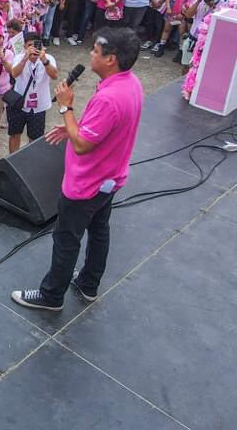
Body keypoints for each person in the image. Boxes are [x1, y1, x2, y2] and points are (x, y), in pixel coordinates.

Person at [12, 28, 143, 311]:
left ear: (111, 59)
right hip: (109, 179)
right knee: (99, 230)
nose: (90, 54)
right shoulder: (131, 84)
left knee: (66, 239)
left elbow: (83, 145)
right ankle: (88, 284)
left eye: (95, 51)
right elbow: (98, 131)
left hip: (87, 183)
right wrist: (74, 128)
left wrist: (66, 110)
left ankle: (51, 296)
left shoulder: (110, 98)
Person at [6, 33, 59, 154]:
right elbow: (14, 74)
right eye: (30, 45)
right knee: (14, 134)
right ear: (24, 46)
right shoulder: (19, 58)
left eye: (35, 45)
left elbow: (54, 75)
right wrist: (25, 58)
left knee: (34, 139)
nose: (33, 48)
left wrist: (44, 59)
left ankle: (30, 161)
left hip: (39, 106)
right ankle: (13, 159)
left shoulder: (48, 58)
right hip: (19, 104)